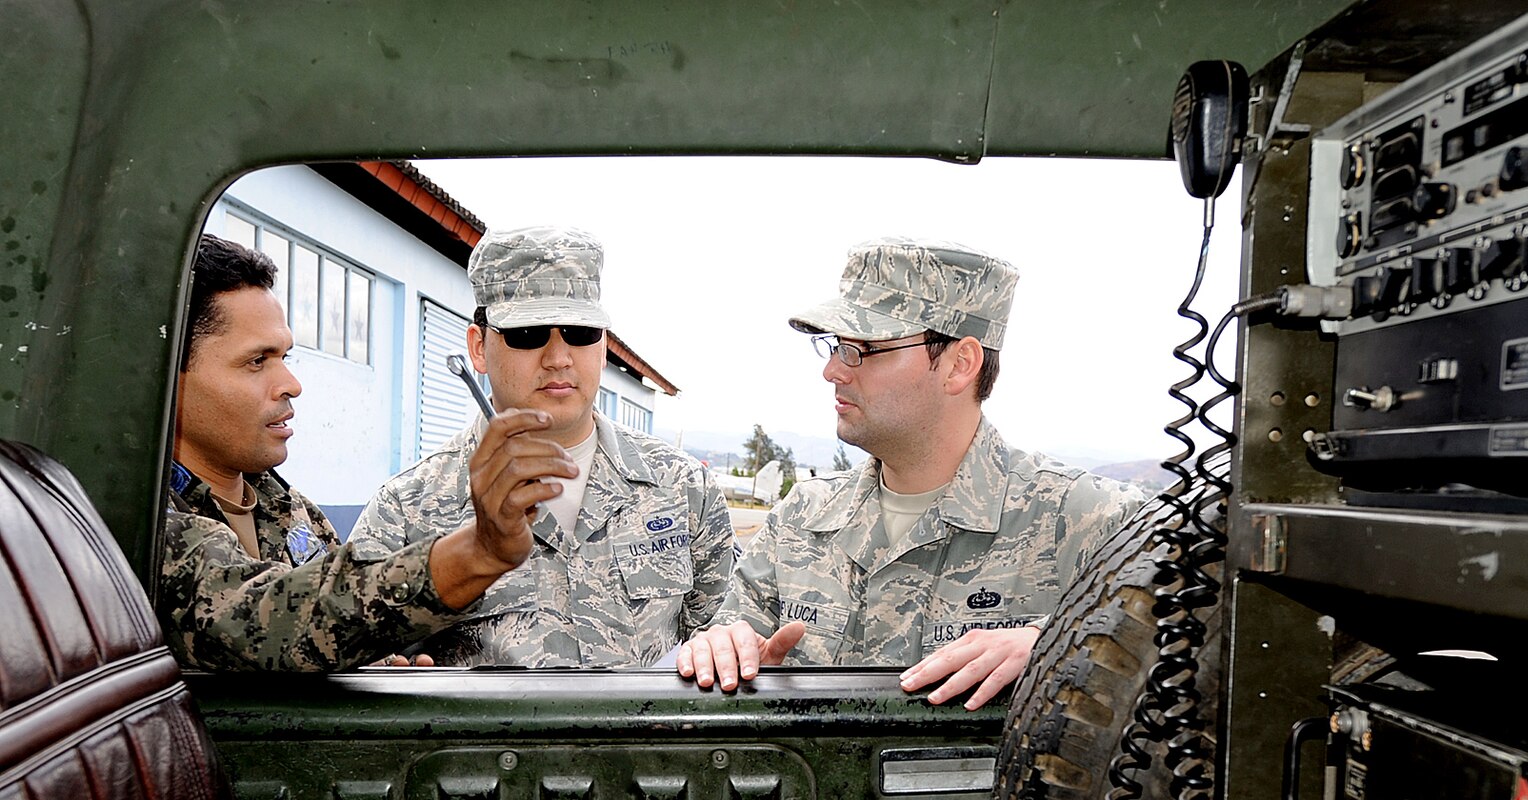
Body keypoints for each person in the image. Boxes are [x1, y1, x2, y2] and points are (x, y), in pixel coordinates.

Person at [675, 238, 1137, 710]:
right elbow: (728, 643)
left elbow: (1189, 658)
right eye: (836, 347)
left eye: (864, 349)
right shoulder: (802, 517)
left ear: (960, 365)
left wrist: (1054, 644)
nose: (833, 370)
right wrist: (722, 655)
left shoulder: (1086, 519)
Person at [158, 235, 571, 670]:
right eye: (257, 361)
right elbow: (254, 619)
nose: (291, 384)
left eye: (284, 356)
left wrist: (381, 668)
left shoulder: (290, 510)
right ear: (169, 374)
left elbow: (339, 608)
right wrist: (479, 552)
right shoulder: (141, 521)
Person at [349, 226, 735, 667]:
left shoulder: (684, 488)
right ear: (478, 347)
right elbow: (355, 660)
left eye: (580, 332)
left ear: (604, 346)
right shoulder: (407, 509)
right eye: (528, 333)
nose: (558, 357)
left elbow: (724, 637)